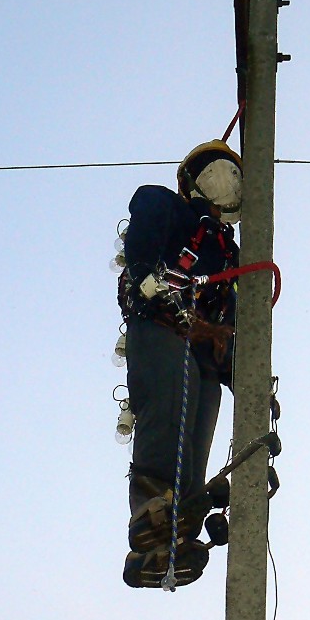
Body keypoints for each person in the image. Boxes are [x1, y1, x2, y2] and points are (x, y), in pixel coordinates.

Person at [117, 139, 242, 589]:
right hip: (162, 325)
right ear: (191, 182)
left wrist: (239, 364)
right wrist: (178, 308)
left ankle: (181, 522)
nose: (224, 181)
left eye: (232, 174)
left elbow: (235, 314)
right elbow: (142, 266)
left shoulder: (231, 254)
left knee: (200, 418)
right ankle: (152, 522)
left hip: (206, 353)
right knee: (169, 406)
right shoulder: (163, 206)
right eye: (212, 172)